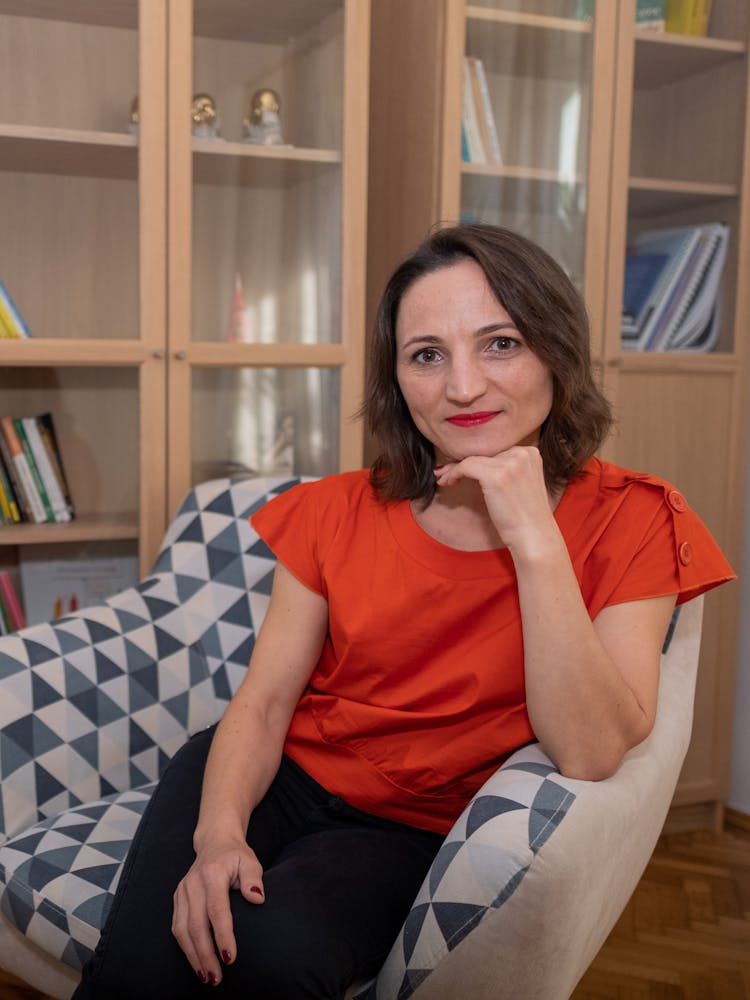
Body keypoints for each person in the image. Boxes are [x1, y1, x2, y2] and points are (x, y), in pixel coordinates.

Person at [73, 224, 734, 999]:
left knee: (269, 954)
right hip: (274, 774)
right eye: (428, 355)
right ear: (397, 380)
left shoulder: (638, 517)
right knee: (150, 954)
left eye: (500, 344)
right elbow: (262, 702)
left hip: (412, 830)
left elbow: (591, 752)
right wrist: (219, 838)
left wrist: (533, 537)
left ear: (556, 352)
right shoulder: (332, 510)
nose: (462, 387)